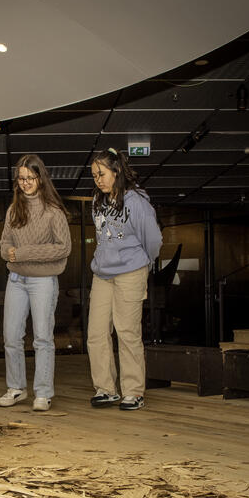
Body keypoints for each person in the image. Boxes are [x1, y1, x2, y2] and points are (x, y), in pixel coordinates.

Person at [87, 148, 162, 411]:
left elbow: (153, 240)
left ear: (117, 171)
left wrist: (143, 264)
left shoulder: (136, 202)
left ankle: (133, 391)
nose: (98, 179)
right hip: (102, 275)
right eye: (95, 175)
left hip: (130, 272)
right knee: (96, 333)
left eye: (102, 173)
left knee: (127, 332)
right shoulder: (99, 201)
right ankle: (106, 389)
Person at [0, 154, 71, 411]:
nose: (26, 182)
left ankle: (43, 392)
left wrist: (24, 253)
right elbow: (4, 243)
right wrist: (8, 253)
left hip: (43, 282)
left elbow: (64, 248)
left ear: (41, 178)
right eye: (21, 178)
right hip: (16, 279)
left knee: (42, 337)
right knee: (11, 337)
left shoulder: (54, 212)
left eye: (30, 177)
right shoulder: (13, 210)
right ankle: (16, 388)